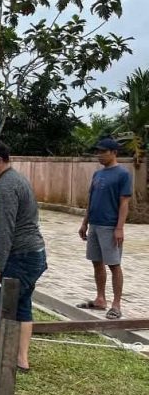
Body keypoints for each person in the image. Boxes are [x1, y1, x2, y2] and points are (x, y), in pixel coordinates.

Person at [0, 139, 47, 373]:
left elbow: (6, 231)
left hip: (20, 257)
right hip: (33, 254)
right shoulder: (15, 180)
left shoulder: (6, 187)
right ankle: (20, 361)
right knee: (22, 305)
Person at [76, 137, 132, 320]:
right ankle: (100, 299)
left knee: (114, 265)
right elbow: (91, 200)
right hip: (95, 224)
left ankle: (116, 305)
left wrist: (119, 228)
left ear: (114, 152)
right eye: (98, 151)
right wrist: (85, 222)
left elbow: (124, 203)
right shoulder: (97, 174)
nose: (99, 155)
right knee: (96, 262)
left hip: (110, 226)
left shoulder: (123, 174)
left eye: (103, 152)